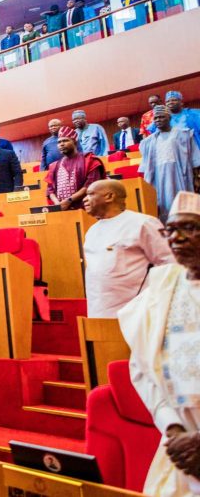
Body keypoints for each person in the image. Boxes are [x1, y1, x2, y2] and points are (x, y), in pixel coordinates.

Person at [118, 191, 200, 495]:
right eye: (171, 230)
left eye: (189, 228)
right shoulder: (160, 290)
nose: (176, 238)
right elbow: (142, 369)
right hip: (181, 448)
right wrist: (174, 429)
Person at [82, 180, 172, 318]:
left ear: (109, 197)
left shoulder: (143, 223)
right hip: (99, 312)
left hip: (138, 314)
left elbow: (170, 263)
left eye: (90, 194)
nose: (85, 199)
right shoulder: (92, 231)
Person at [140, 105, 200, 221]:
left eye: (161, 117)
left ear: (169, 118)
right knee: (163, 206)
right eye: (156, 118)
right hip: (158, 178)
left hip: (180, 176)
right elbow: (145, 168)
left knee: (183, 204)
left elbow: (195, 159)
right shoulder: (147, 142)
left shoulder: (185, 135)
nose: (158, 120)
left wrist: (197, 178)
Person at [46, 126, 106, 210]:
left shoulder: (89, 160)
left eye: (65, 140)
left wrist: (69, 200)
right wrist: (58, 204)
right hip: (62, 211)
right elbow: (50, 190)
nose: (61, 144)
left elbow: (91, 185)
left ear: (75, 141)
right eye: (59, 142)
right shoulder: (54, 166)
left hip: (87, 209)